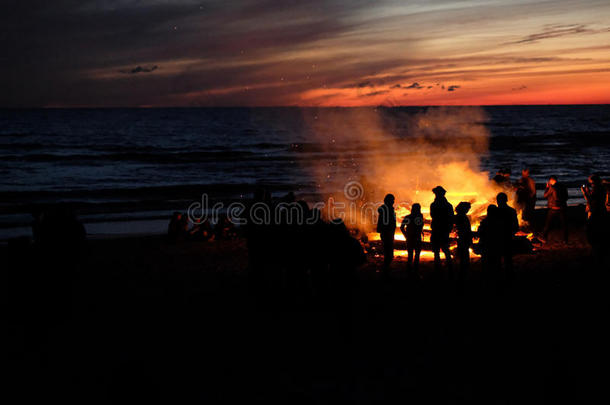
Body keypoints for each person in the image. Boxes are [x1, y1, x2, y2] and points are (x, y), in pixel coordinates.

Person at [581, 174, 608, 260]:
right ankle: (598, 250)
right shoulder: (602, 188)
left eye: (591, 182)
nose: (590, 184)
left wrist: (585, 193)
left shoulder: (597, 189)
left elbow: (590, 201)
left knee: (591, 230)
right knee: (598, 231)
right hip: (601, 211)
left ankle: (596, 251)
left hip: (596, 212)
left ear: (593, 182)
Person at [430, 186, 454, 271]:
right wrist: (449, 227)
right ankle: (449, 266)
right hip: (443, 230)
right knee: (444, 249)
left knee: (437, 250)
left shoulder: (433, 205)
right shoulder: (448, 205)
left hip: (438, 229)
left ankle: (438, 266)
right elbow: (451, 218)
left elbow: (433, 216)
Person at [496, 192, 519, 274]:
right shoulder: (512, 211)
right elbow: (516, 226)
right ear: (506, 200)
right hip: (509, 237)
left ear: (497, 200)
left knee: (497, 258)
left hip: (498, 238)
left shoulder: (496, 212)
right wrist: (512, 233)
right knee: (508, 258)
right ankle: (509, 274)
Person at [542, 175, 568, 243]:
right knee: (564, 225)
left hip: (553, 208)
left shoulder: (552, 187)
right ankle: (565, 240)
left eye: (549, 181)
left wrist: (547, 188)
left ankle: (544, 237)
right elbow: (566, 197)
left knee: (548, 224)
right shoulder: (563, 186)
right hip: (562, 208)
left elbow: (545, 195)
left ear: (551, 181)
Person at [400, 203, 424, 277]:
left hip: (410, 238)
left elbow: (402, 227)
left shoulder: (408, 217)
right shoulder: (419, 217)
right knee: (416, 255)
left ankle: (409, 272)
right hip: (416, 238)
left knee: (410, 255)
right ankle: (414, 272)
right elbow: (420, 226)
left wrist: (406, 235)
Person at [477, 205, 501, 275]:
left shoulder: (484, 222)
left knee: (485, 265)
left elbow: (480, 233)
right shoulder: (499, 222)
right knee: (496, 263)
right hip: (495, 246)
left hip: (486, 246)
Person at [377, 193, 396, 277]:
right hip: (387, 232)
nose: (393, 202)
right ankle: (385, 270)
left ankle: (386, 268)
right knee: (388, 252)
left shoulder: (387, 209)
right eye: (392, 200)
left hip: (388, 232)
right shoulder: (386, 209)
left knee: (388, 251)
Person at [454, 202, 472, 281]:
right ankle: (464, 272)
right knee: (464, 254)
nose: (468, 210)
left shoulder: (459, 216)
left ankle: (463, 271)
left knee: (463, 254)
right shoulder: (462, 217)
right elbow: (465, 229)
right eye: (467, 209)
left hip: (462, 238)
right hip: (464, 238)